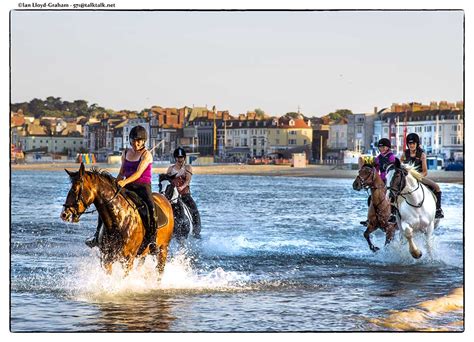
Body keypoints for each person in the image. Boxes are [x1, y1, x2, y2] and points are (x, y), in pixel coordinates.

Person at [85, 125, 158, 252]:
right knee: (105, 205)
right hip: (127, 186)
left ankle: (152, 240)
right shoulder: (125, 153)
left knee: (151, 208)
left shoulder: (147, 155)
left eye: (139, 141)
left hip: (142, 186)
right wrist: (115, 183)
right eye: (133, 140)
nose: (135, 143)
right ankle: (97, 236)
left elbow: (138, 174)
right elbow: (121, 172)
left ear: (143, 141)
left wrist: (124, 182)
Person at [400, 133, 444, 218]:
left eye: (413, 143)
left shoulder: (422, 155)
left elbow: (425, 172)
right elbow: (400, 166)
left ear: (417, 144)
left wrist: (416, 177)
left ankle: (438, 210)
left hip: (419, 177)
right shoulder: (404, 154)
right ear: (407, 144)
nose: (411, 145)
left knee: (437, 187)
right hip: (406, 178)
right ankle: (394, 212)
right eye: (410, 144)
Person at [165, 147, 201, 238]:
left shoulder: (188, 168)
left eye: (181, 157)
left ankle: (196, 232)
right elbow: (167, 181)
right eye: (178, 157)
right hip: (172, 195)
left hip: (184, 194)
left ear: (184, 158)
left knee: (194, 210)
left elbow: (187, 181)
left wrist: (181, 187)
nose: (180, 159)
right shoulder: (170, 169)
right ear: (175, 158)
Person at [359, 138, 397, 226]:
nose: (382, 149)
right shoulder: (378, 158)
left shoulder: (391, 156)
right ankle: (370, 218)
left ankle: (393, 215)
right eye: (380, 147)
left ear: (388, 147)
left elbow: (392, 170)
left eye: (384, 147)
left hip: (390, 179)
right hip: (381, 180)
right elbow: (376, 171)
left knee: (392, 196)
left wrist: (385, 178)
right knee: (371, 198)